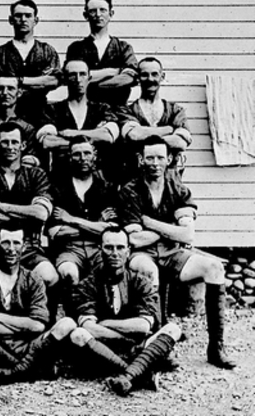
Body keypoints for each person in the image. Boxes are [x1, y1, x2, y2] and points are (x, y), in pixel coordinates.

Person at [120, 136, 236, 369]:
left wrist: (150, 223)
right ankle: (157, 347)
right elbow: (134, 238)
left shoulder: (178, 188)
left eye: (160, 157)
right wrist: (171, 230)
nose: (155, 163)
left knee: (214, 268)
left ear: (169, 159)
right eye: (149, 157)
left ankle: (216, 347)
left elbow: (187, 236)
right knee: (147, 269)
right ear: (140, 159)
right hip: (143, 254)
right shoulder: (130, 190)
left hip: (173, 253)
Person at [69, 226, 181, 396]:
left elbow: (143, 326)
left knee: (174, 329)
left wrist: (105, 323)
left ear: (128, 251)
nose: (115, 253)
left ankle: (125, 374)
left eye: (120, 247)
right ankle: (138, 373)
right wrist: (128, 336)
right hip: (105, 347)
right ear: (100, 250)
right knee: (78, 334)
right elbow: (89, 328)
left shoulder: (141, 282)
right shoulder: (88, 284)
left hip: (136, 345)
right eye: (109, 247)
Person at [0, 227, 76, 387]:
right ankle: (32, 370)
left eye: (16, 243)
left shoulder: (33, 279)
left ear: (24, 246)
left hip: (30, 344)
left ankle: (12, 372)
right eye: (6, 243)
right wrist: (24, 324)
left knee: (67, 323)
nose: (11, 249)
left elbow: (39, 325)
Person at [0, 121, 58, 316]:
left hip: (28, 245)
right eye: (5, 142)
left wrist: (3, 207)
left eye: (14, 142)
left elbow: (41, 213)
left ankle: (42, 322)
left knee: (50, 276)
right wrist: (24, 212)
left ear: (23, 146)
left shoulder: (36, 175)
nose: (10, 147)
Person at [48, 136, 118, 287]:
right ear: (70, 157)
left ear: (95, 156)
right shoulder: (58, 189)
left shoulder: (106, 188)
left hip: (99, 248)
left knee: (109, 271)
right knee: (69, 272)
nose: (82, 158)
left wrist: (71, 219)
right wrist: (96, 225)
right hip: (69, 249)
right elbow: (55, 232)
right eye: (77, 154)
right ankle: (72, 311)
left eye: (87, 153)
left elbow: (111, 230)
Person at [37, 59, 118, 176]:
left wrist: (70, 133)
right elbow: (47, 141)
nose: (78, 80)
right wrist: (93, 136)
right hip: (63, 178)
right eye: (72, 75)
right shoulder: (52, 110)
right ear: (65, 79)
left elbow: (108, 136)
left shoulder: (102, 109)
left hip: (97, 179)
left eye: (82, 74)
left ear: (89, 78)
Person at [0, 0, 61, 126]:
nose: (23, 20)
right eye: (18, 16)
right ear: (11, 20)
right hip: (8, 115)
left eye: (28, 16)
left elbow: (53, 81)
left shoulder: (46, 51)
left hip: (40, 113)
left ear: (36, 20)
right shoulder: (1, 53)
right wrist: (38, 81)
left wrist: (18, 81)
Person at [116, 57, 192, 178]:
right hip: (135, 180)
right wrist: (167, 130)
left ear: (162, 76)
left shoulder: (175, 110)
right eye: (144, 75)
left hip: (170, 181)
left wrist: (144, 137)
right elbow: (134, 135)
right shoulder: (127, 111)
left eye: (154, 74)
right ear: (138, 78)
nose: (150, 79)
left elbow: (180, 143)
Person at [66, 0, 137, 109]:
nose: (98, 15)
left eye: (103, 10)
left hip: (118, 110)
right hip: (86, 112)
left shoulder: (123, 48)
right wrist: (112, 71)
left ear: (111, 13)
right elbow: (73, 79)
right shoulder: (76, 48)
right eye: (93, 11)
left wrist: (90, 83)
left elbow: (129, 78)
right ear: (86, 15)